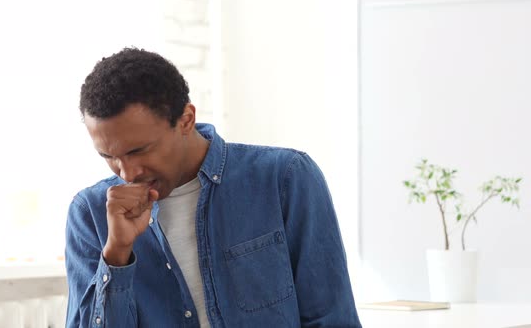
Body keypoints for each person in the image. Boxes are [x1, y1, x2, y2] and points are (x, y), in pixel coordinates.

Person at [65, 47, 362, 328]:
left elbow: (332, 318)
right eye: (109, 156)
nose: (127, 173)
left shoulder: (284, 179)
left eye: (139, 150)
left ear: (186, 120)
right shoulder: (90, 213)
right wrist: (116, 255)